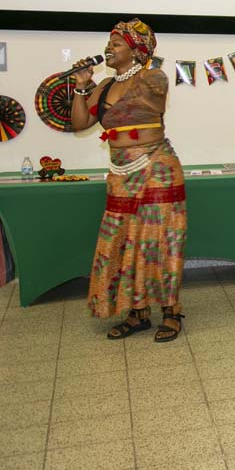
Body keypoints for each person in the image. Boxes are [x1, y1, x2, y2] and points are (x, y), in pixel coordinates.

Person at [71, 19, 187, 342]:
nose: (108, 48)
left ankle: (171, 312)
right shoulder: (104, 87)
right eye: (109, 43)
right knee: (123, 241)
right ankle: (137, 313)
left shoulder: (153, 78)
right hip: (121, 173)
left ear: (136, 51)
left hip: (157, 170)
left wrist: (107, 98)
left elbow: (140, 107)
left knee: (159, 241)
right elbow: (79, 123)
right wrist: (82, 87)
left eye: (116, 44)